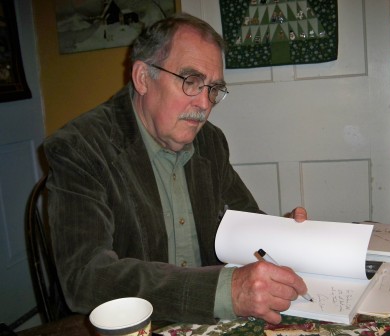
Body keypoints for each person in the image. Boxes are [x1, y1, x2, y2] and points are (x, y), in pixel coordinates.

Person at [43, 13, 308, 325]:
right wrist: (224, 292)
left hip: (211, 323)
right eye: (191, 81)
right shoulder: (81, 147)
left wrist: (284, 236)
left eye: (213, 89)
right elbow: (85, 277)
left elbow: (245, 220)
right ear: (143, 78)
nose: (205, 103)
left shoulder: (210, 141)